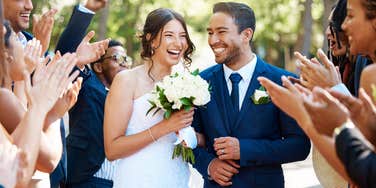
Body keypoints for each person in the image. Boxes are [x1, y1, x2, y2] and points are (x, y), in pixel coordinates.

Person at [191, 2, 310, 187]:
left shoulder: (284, 81)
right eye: (210, 32)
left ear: (246, 34)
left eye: (221, 32)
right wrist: (208, 164)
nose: (213, 40)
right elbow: (189, 139)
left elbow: (300, 146)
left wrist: (245, 150)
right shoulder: (199, 82)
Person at [104, 8, 195, 188]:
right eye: (169, 35)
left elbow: (194, 135)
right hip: (138, 177)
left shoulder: (187, 83)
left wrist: (190, 136)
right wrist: (164, 127)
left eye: (182, 36)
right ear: (151, 39)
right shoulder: (127, 80)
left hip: (177, 176)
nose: (178, 43)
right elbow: (112, 149)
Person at [66, 40, 129, 187]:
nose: (123, 63)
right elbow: (73, 70)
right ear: (99, 67)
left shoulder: (128, 96)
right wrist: (80, 61)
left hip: (119, 181)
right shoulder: (88, 85)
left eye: (126, 59)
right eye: (117, 58)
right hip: (87, 176)